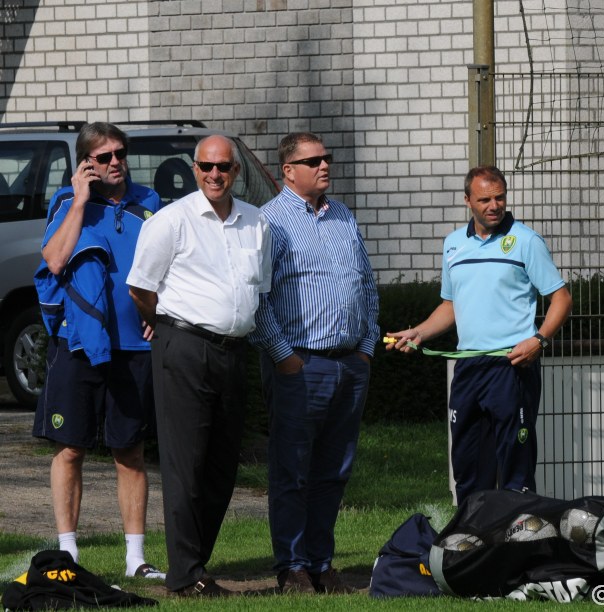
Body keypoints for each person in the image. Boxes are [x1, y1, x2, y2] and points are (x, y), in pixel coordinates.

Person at [126, 135, 272, 597]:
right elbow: (140, 288)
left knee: (221, 467)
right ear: (194, 170)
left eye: (223, 167)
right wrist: (161, 325)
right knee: (185, 465)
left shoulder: (256, 223)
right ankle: (185, 576)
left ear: (236, 172)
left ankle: (194, 565)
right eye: (206, 167)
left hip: (233, 352)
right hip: (185, 346)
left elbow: (257, 289)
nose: (214, 175)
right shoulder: (171, 221)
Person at [386, 166, 572, 505]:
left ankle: (517, 544)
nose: (494, 205)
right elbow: (451, 305)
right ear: (467, 201)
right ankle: (471, 542)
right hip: (469, 369)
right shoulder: (454, 244)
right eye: (484, 199)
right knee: (468, 467)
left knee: (515, 469)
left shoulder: (526, 241)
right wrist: (419, 332)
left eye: (499, 197)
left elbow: (561, 297)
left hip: (511, 367)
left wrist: (539, 340)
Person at [33, 121, 165, 580]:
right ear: (86, 163)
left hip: (135, 349)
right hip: (79, 345)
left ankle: (135, 559)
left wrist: (160, 313)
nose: (115, 162)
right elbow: (54, 259)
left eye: (120, 153)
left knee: (130, 451)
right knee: (70, 449)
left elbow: (172, 266)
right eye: (104, 156)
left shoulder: (150, 204)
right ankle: (68, 552)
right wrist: (81, 201)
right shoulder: (68, 204)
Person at [250, 132, 380, 594]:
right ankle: (293, 565)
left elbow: (366, 284)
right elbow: (258, 298)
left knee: (333, 470)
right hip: (300, 366)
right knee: (293, 469)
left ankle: (322, 562)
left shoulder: (343, 215)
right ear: (288, 170)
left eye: (327, 157)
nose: (324, 165)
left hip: (350, 366)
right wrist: (285, 358)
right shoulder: (270, 222)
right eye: (313, 160)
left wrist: (366, 347)